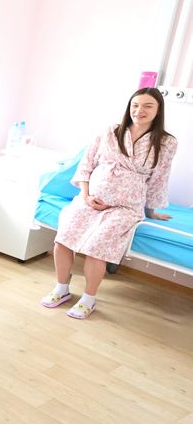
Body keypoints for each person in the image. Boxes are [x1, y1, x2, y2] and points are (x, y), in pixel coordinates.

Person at [41, 87, 177, 318]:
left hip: (125, 207)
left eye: (147, 106)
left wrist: (151, 211)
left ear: (158, 110)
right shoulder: (111, 131)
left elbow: (159, 178)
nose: (139, 110)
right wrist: (86, 196)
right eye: (135, 105)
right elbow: (87, 163)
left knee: (97, 248)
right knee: (62, 239)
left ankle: (88, 298)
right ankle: (61, 288)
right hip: (90, 199)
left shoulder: (166, 142)